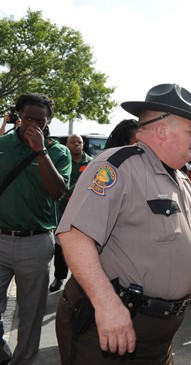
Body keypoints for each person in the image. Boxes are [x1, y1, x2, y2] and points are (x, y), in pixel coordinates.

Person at [54, 83, 191, 364]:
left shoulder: (181, 181)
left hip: (159, 337)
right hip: (110, 332)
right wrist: (107, 305)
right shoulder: (117, 166)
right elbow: (74, 235)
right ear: (163, 130)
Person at [0, 92, 71, 365]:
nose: (33, 124)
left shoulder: (57, 151)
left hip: (36, 241)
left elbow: (57, 191)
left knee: (31, 313)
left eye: (40, 120)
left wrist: (40, 151)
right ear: (19, 115)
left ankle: (24, 361)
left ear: (48, 121)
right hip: (1, 236)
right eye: (27, 117)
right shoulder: (2, 144)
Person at [50, 134, 93, 292]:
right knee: (60, 248)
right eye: (73, 142)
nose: (76, 144)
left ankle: (79, 281)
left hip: (82, 213)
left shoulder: (92, 163)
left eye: (79, 142)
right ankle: (59, 277)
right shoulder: (61, 161)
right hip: (62, 211)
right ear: (66, 144)